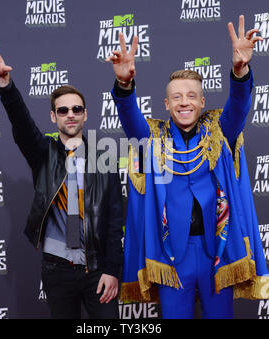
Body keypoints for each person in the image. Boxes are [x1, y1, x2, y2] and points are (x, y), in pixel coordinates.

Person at [106, 15, 269, 319]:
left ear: (202, 101)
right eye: (176, 97)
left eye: (191, 96)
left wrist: (240, 71)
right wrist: (124, 84)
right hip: (172, 257)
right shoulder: (153, 138)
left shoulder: (221, 131)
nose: (184, 102)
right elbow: (131, 121)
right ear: (166, 105)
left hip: (216, 254)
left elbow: (239, 106)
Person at [0, 42, 123, 319]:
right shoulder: (43, 153)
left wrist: (112, 270)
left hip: (97, 268)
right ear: (53, 117)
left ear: (85, 114)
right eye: (63, 110)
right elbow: (21, 124)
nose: (70, 115)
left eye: (77, 109)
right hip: (57, 269)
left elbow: (115, 220)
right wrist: (4, 82)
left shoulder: (105, 158)